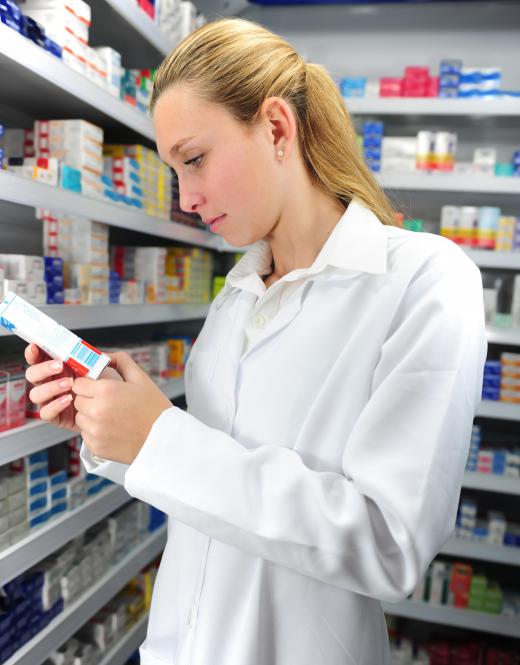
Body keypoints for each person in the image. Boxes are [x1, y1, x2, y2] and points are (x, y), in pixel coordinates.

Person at [25, 17, 487, 665]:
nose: (185, 198)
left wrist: (159, 437)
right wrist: (114, 427)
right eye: (173, 170)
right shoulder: (238, 293)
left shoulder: (424, 281)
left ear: (276, 127)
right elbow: (207, 482)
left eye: (194, 159)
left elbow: (389, 542)